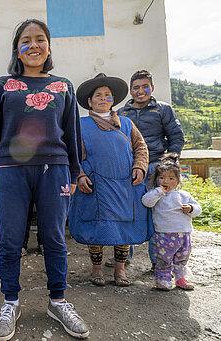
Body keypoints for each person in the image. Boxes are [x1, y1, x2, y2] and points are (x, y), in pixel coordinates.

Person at [0, 19, 89, 340]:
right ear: (17, 49)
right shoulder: (3, 85)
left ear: (49, 47)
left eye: (40, 39)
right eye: (25, 40)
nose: (33, 45)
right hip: (9, 170)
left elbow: (72, 132)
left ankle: (58, 300)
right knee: (10, 240)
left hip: (55, 169)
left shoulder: (64, 86)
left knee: (54, 238)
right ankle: (10, 302)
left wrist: (74, 171)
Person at [68, 73, 153, 288]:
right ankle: (96, 269)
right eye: (98, 95)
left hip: (125, 184)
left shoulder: (126, 123)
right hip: (95, 185)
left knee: (123, 228)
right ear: (89, 101)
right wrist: (80, 175)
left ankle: (120, 269)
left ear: (113, 100)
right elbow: (74, 153)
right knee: (96, 226)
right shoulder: (80, 125)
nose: (103, 98)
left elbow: (140, 148)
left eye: (107, 95)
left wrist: (140, 167)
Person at [113, 70, 185, 271]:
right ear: (130, 90)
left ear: (152, 88)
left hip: (155, 167)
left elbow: (176, 137)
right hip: (130, 169)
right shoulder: (120, 113)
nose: (140, 91)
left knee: (158, 215)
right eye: (136, 87)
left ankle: (158, 261)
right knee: (128, 213)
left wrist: (171, 158)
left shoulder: (163, 109)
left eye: (145, 86)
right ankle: (124, 256)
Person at [141, 153, 201, 291]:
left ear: (178, 181)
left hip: (184, 234)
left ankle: (180, 279)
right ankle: (163, 279)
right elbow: (146, 202)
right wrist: (158, 192)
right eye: (161, 178)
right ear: (156, 180)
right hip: (164, 234)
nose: (165, 181)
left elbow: (198, 209)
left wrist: (191, 208)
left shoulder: (184, 195)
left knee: (182, 257)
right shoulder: (156, 196)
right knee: (164, 258)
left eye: (171, 178)